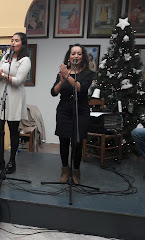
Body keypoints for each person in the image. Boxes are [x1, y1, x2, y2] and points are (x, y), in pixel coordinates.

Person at [0, 32, 31, 174]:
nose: (13, 43)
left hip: (15, 97)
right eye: (12, 40)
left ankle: (12, 161)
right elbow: (0, 76)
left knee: (13, 131)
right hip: (2, 96)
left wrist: (2, 75)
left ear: (22, 43)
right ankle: (0, 160)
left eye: (16, 40)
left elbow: (18, 80)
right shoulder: (6, 57)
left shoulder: (25, 60)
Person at [51, 44, 94, 184]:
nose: (76, 56)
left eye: (79, 54)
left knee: (77, 143)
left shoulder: (88, 73)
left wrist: (67, 75)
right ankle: (65, 170)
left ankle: (76, 171)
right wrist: (62, 81)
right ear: (69, 56)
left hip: (80, 111)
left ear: (83, 57)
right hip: (64, 111)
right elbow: (53, 92)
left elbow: (81, 88)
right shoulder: (63, 72)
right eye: (73, 53)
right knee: (63, 141)